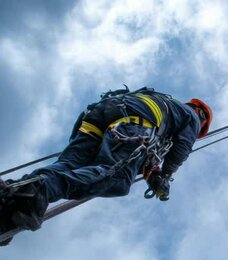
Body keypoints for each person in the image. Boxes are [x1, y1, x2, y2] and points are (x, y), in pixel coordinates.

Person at [0, 87, 213, 245]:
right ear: (201, 118)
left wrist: (154, 175)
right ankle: (37, 192)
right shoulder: (192, 117)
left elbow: (144, 159)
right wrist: (166, 175)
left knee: (68, 166)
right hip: (133, 123)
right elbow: (182, 147)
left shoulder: (163, 103)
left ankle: (14, 195)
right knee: (116, 179)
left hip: (100, 117)